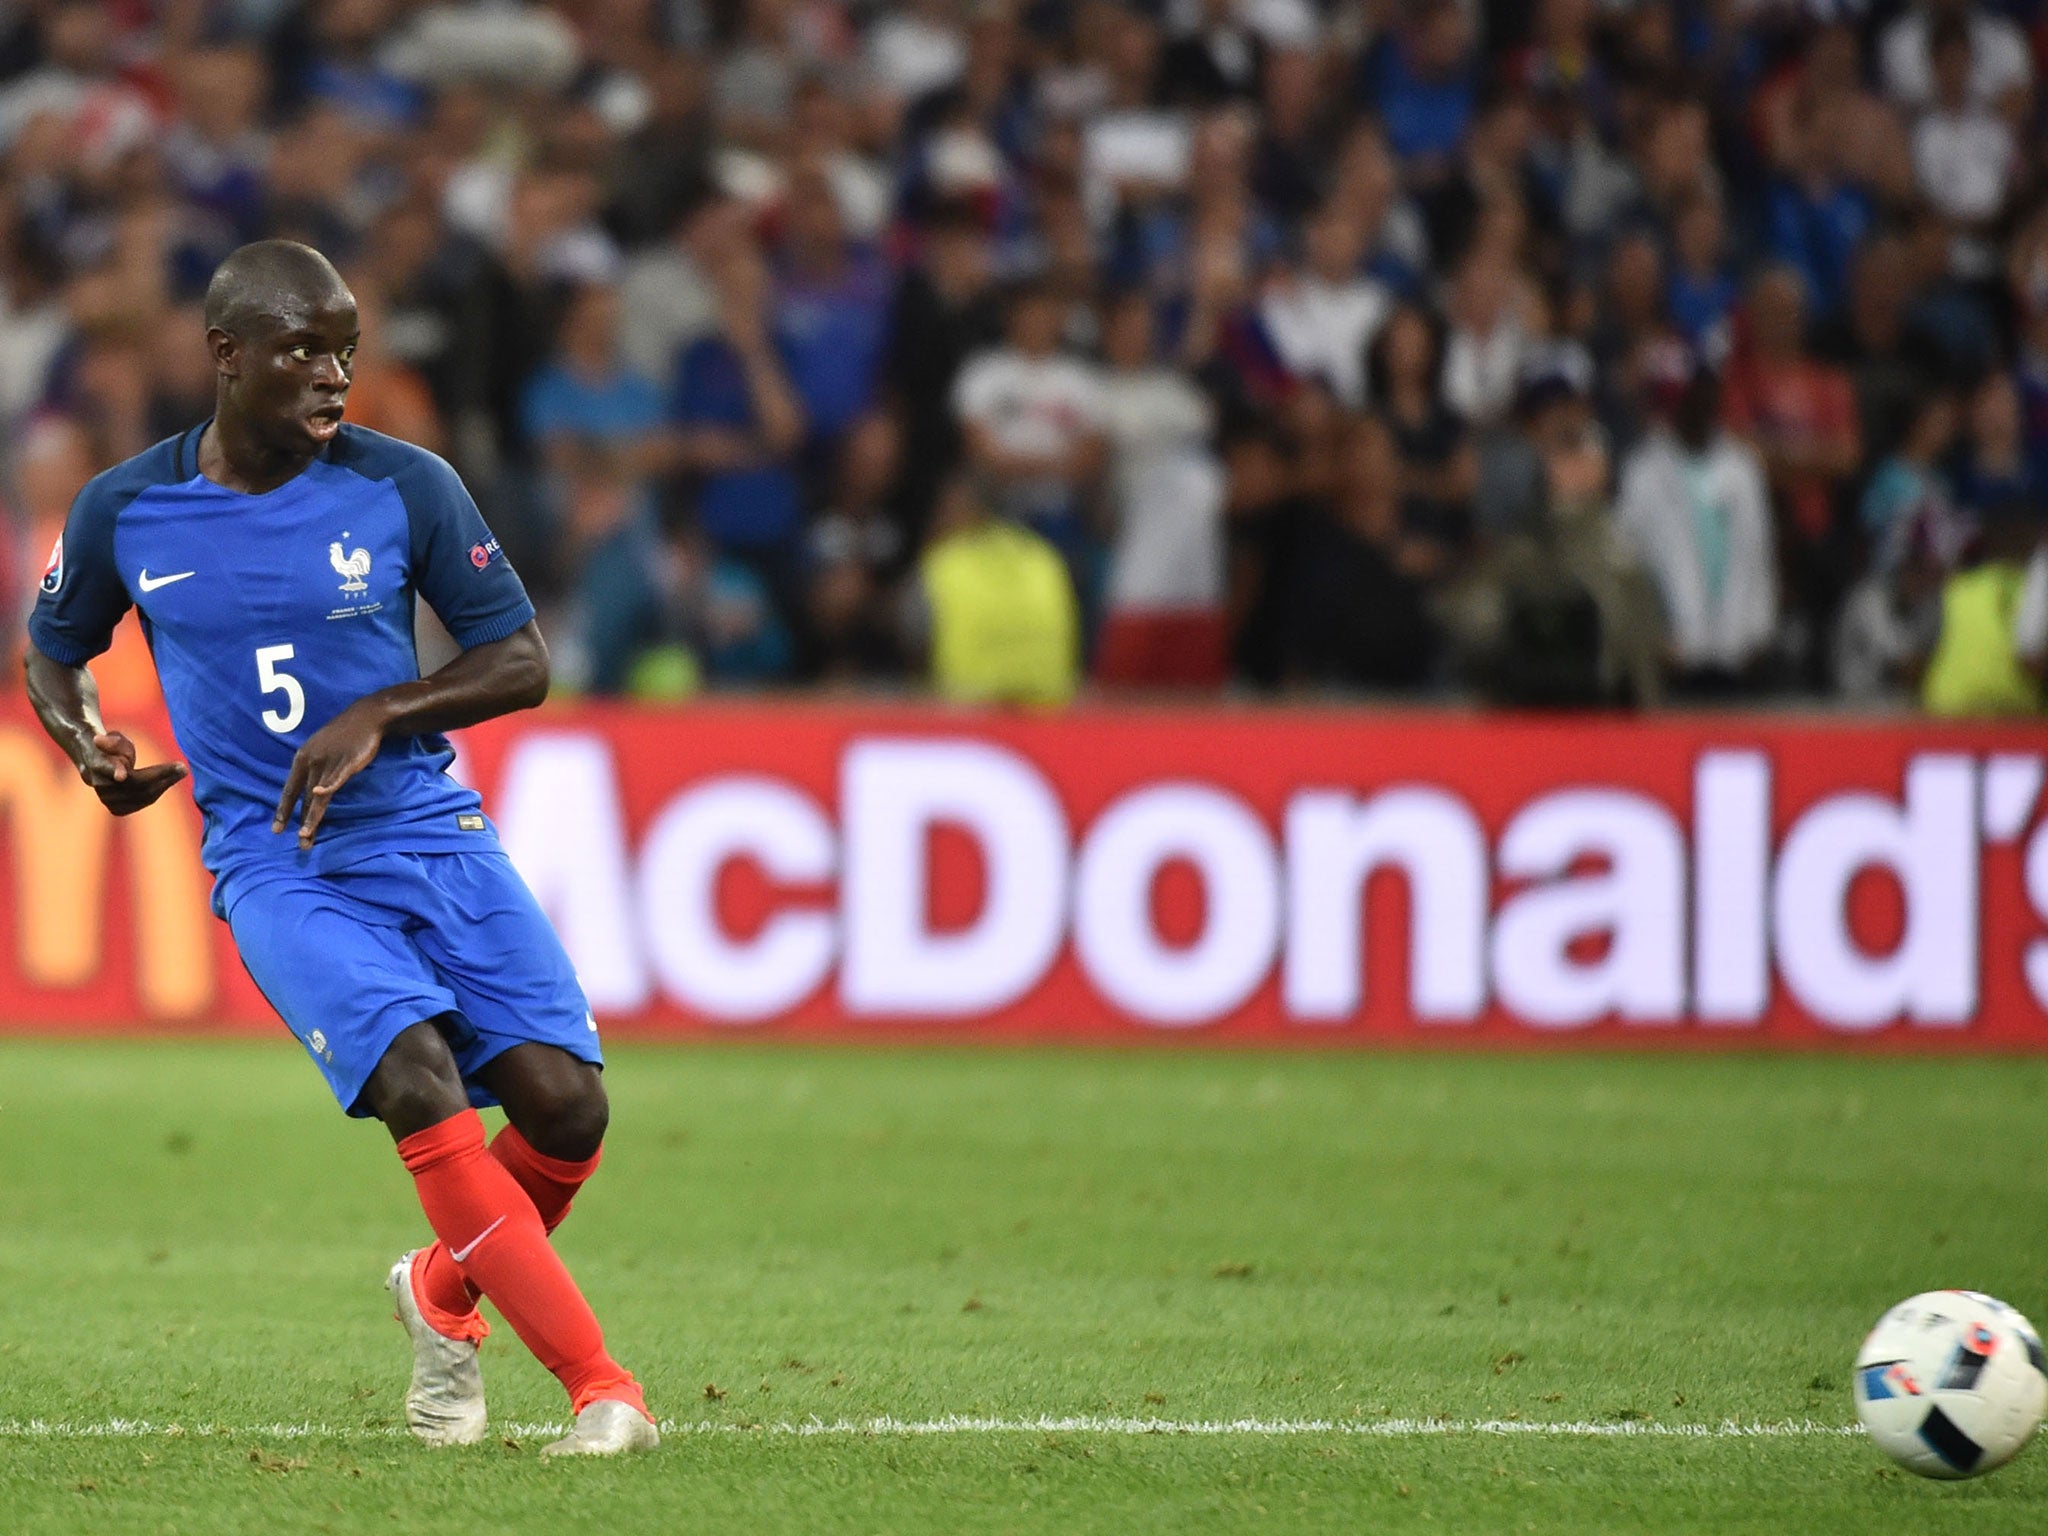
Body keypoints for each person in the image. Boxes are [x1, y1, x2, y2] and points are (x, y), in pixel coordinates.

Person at [21, 241, 657, 1458]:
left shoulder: (404, 485)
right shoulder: (126, 508)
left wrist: (384, 710)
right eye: (304, 350)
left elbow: (521, 660)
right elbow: (51, 648)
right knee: (417, 1081)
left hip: (425, 830)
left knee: (567, 1112)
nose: (333, 378)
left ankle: (437, 1291)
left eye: (347, 352)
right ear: (225, 356)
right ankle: (601, 1388)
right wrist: (89, 740)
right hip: (276, 861)